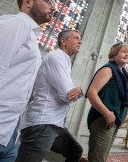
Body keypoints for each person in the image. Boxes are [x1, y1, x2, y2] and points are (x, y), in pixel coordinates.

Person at [0, 0, 55, 161]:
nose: (53, 7)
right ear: (27, 2)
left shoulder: (29, 34)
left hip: (9, 132)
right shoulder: (14, 23)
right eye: (48, 1)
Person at [15, 29, 84, 162]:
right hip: (42, 122)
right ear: (63, 41)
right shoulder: (56, 58)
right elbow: (67, 95)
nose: (80, 41)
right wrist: (78, 92)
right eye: (76, 38)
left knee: (75, 150)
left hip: (54, 123)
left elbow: (72, 92)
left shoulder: (64, 60)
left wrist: (79, 90)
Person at [86, 42, 128, 162]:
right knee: (97, 158)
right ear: (113, 55)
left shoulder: (124, 75)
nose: (126, 54)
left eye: (127, 52)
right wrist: (107, 113)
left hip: (114, 120)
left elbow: (123, 99)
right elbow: (91, 93)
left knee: (102, 157)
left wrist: (125, 113)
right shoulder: (108, 69)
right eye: (123, 51)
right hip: (102, 119)